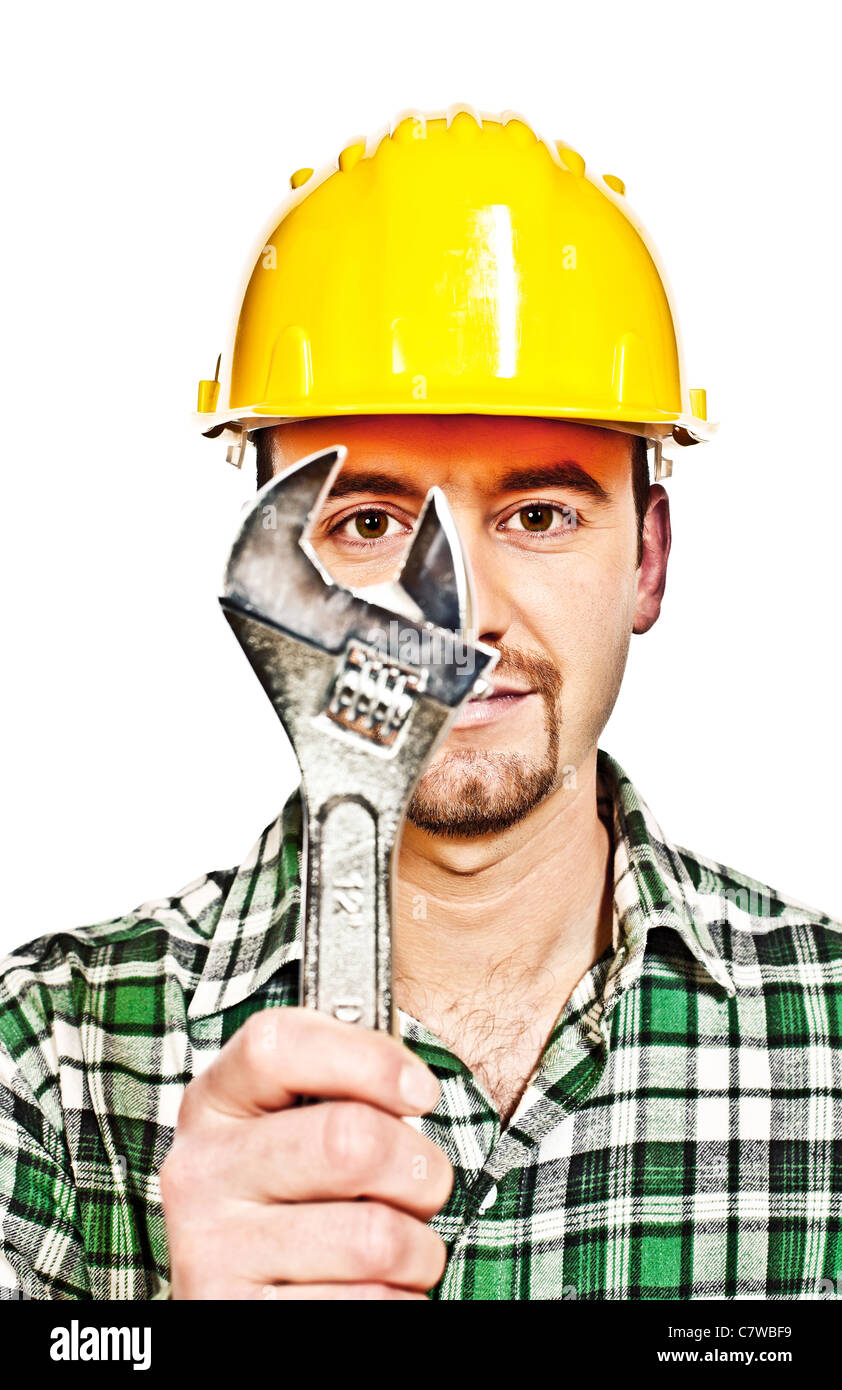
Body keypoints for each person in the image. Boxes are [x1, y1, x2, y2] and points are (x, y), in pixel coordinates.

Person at [1, 108, 840, 1303]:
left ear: (647, 559)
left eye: (537, 515)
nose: (456, 619)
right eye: (367, 522)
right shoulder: (48, 1058)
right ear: (271, 566)